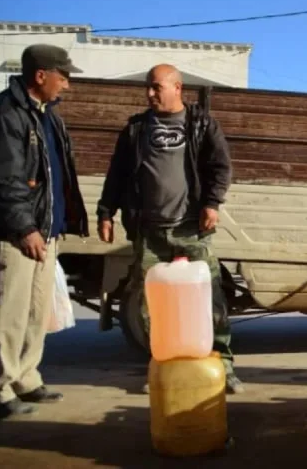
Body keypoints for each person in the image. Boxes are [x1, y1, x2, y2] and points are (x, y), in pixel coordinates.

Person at [95, 64, 244, 393]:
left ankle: (224, 366)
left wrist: (211, 203)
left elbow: (221, 167)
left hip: (191, 228)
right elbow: (117, 174)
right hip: (149, 231)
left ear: (178, 88)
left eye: (156, 87)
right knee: (152, 305)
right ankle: (162, 368)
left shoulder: (202, 124)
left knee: (211, 299)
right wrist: (105, 212)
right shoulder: (135, 130)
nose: (149, 93)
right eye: (148, 87)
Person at [0, 44, 89, 419]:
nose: (68, 85)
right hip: (20, 234)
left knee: (36, 311)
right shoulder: (5, 113)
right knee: (11, 312)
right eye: (64, 76)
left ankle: (26, 378)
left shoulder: (47, 115)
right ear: (41, 75)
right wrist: (24, 228)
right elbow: (3, 179)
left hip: (46, 231)